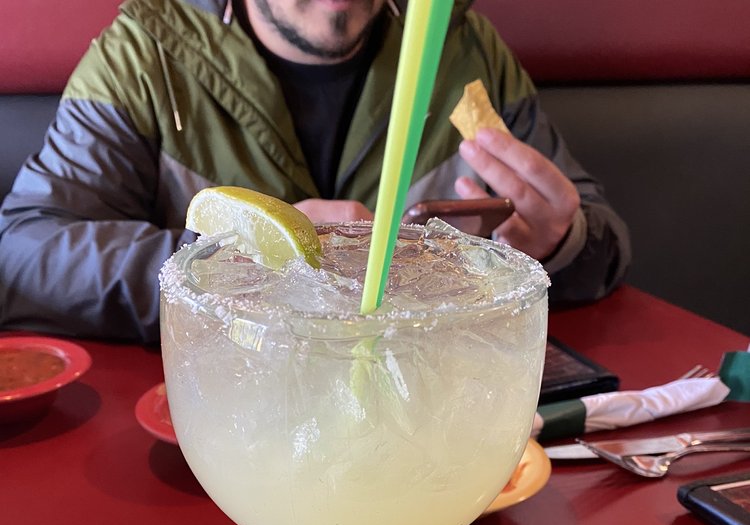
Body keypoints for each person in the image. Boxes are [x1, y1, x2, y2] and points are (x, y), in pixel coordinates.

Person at [0, 0, 630, 344]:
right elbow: (25, 254)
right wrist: (230, 263)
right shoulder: (145, 55)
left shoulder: (464, 50)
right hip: (220, 426)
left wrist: (561, 241)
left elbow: (601, 239)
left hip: (414, 421)